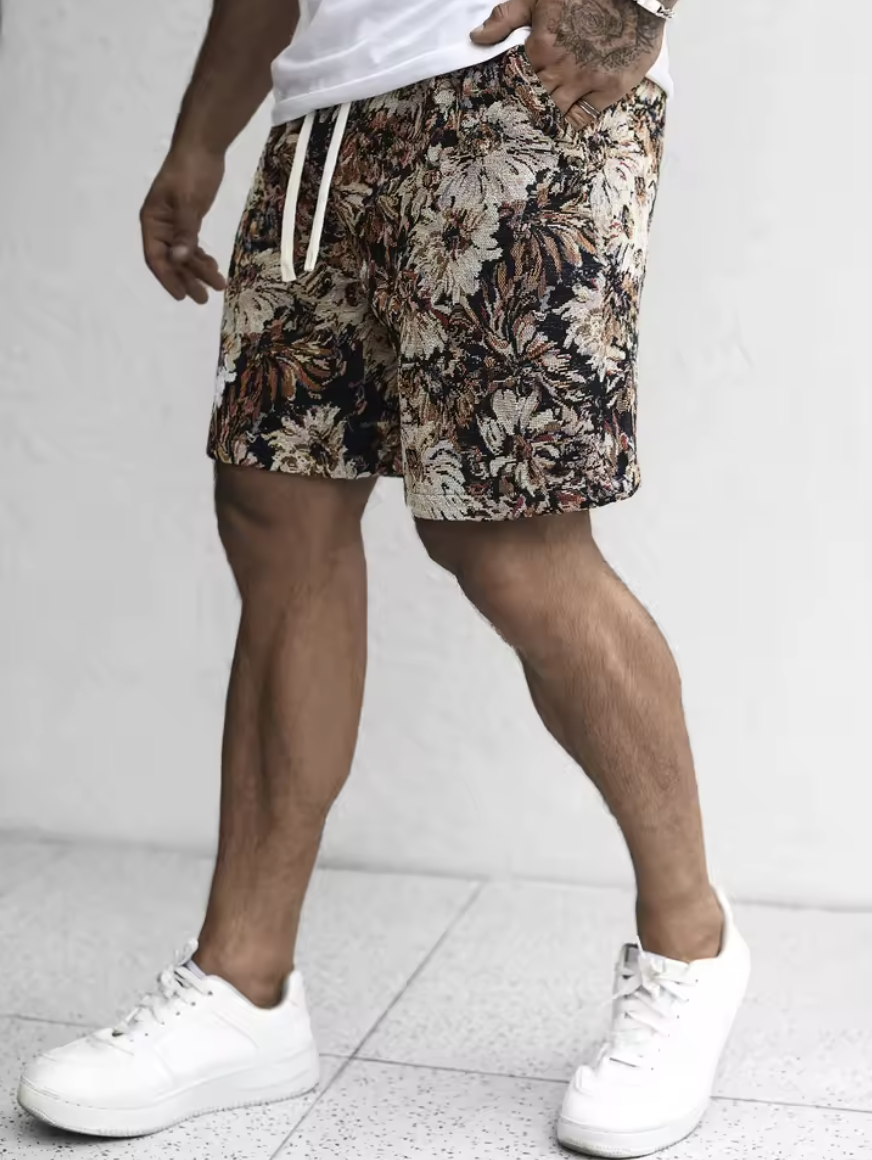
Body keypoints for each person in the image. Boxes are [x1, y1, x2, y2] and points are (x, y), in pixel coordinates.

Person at [18, 0, 750, 1155]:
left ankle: (689, 945)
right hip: (320, 121)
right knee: (276, 506)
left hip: (512, 82)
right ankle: (244, 987)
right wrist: (202, 136)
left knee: (508, 538)